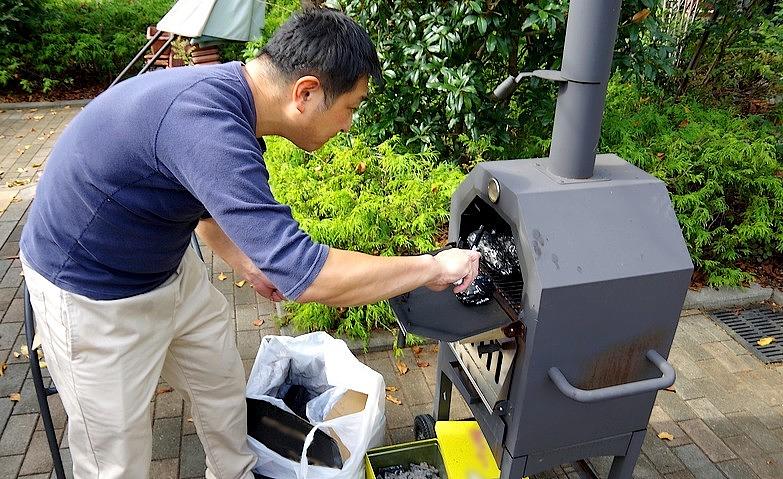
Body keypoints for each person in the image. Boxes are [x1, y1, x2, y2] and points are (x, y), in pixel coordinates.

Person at [19, 8, 479, 479]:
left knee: (219, 386)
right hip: (91, 292)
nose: (348, 126)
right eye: (351, 109)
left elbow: (200, 203)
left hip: (166, 265)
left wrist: (246, 261)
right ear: (306, 92)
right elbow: (307, 273)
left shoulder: (235, 100)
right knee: (115, 462)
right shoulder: (207, 125)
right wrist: (432, 268)